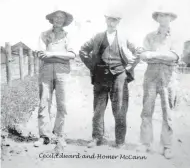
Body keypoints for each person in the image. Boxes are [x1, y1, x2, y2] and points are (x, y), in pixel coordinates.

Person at [79, 10, 140, 148]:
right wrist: (92, 66)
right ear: (105, 20)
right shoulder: (98, 36)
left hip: (119, 76)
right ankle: (96, 138)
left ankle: (120, 141)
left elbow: (138, 51)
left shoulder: (124, 37)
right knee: (98, 109)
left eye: (115, 20)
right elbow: (82, 50)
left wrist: (128, 68)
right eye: (110, 19)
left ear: (119, 22)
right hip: (100, 76)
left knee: (119, 109)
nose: (112, 22)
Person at [138, 9, 179, 159]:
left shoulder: (176, 37)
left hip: (168, 77)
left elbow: (174, 56)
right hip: (151, 75)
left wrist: (153, 55)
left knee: (167, 112)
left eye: (167, 15)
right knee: (147, 110)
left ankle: (167, 146)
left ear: (171, 18)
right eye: (161, 15)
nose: (163, 18)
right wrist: (162, 56)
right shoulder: (149, 36)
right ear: (157, 18)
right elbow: (143, 55)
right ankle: (145, 143)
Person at [34, 9, 76, 149]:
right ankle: (44, 136)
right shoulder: (44, 35)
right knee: (44, 102)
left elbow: (71, 55)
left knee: (62, 104)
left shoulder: (68, 36)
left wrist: (52, 54)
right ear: (52, 19)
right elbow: (41, 54)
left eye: (61, 18)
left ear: (65, 21)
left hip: (62, 72)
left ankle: (59, 135)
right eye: (56, 17)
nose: (58, 20)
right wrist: (60, 55)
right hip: (46, 70)